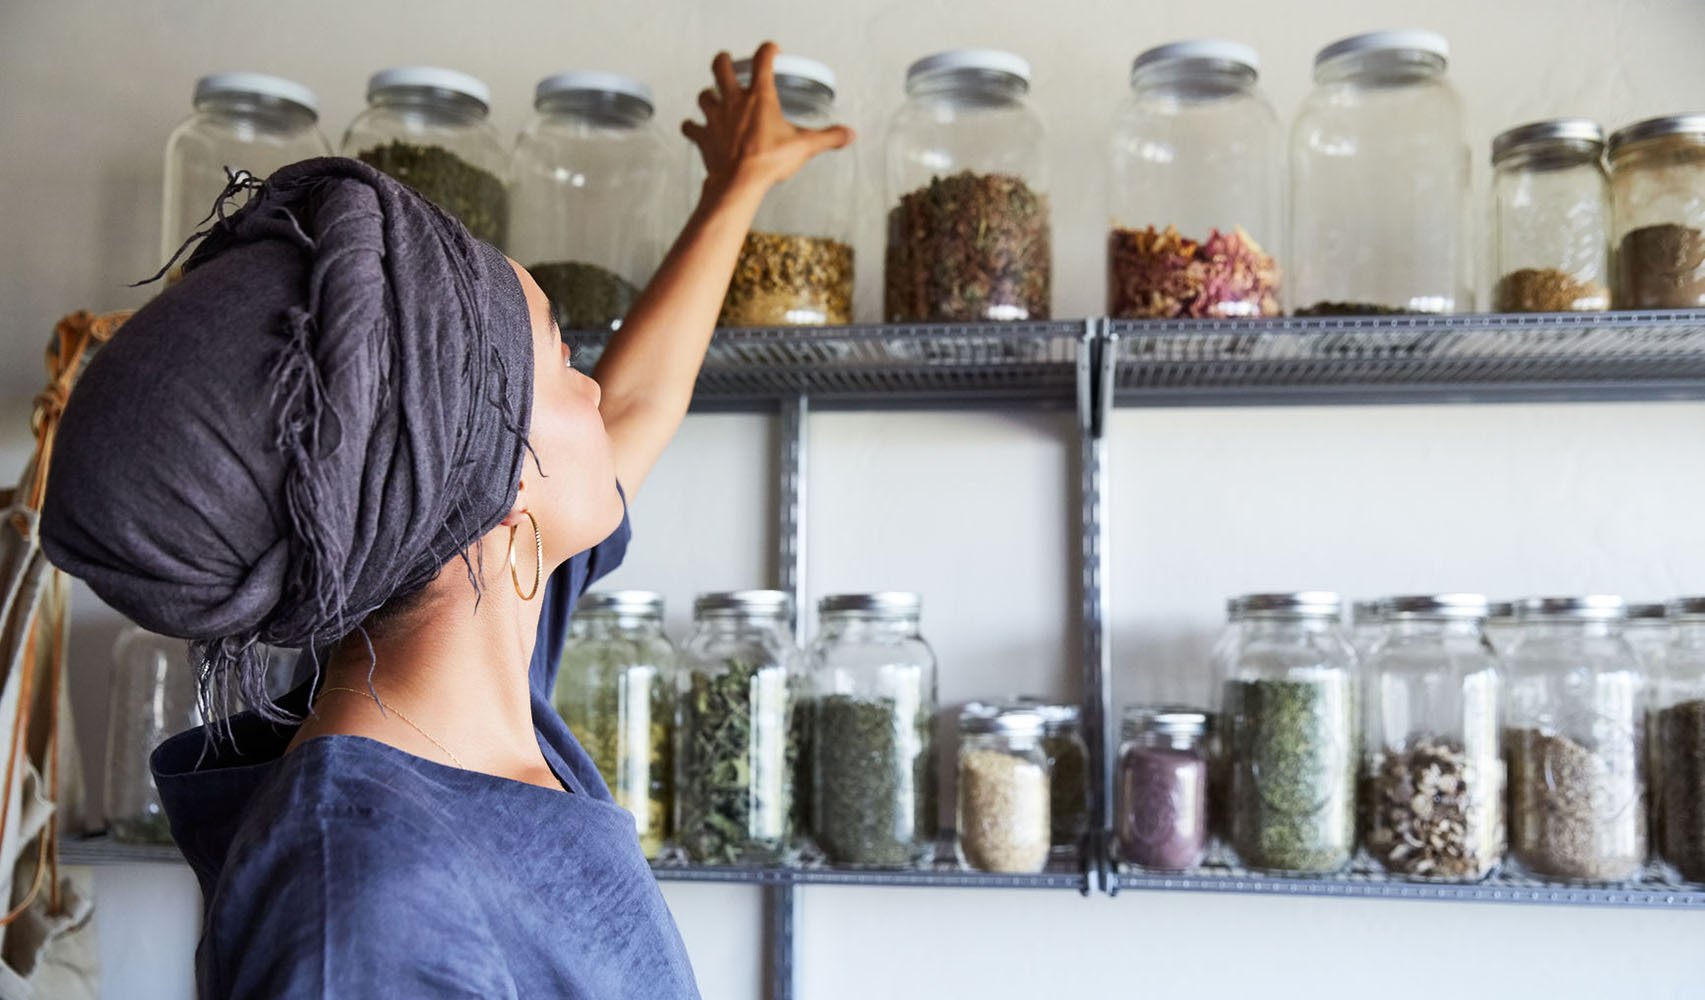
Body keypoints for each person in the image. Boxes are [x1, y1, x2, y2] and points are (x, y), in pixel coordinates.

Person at [39, 43, 850, 998]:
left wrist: (737, 184)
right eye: (560, 357)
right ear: (496, 489)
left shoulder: (475, 664)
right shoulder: (359, 912)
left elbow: (628, 409)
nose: (592, 385)